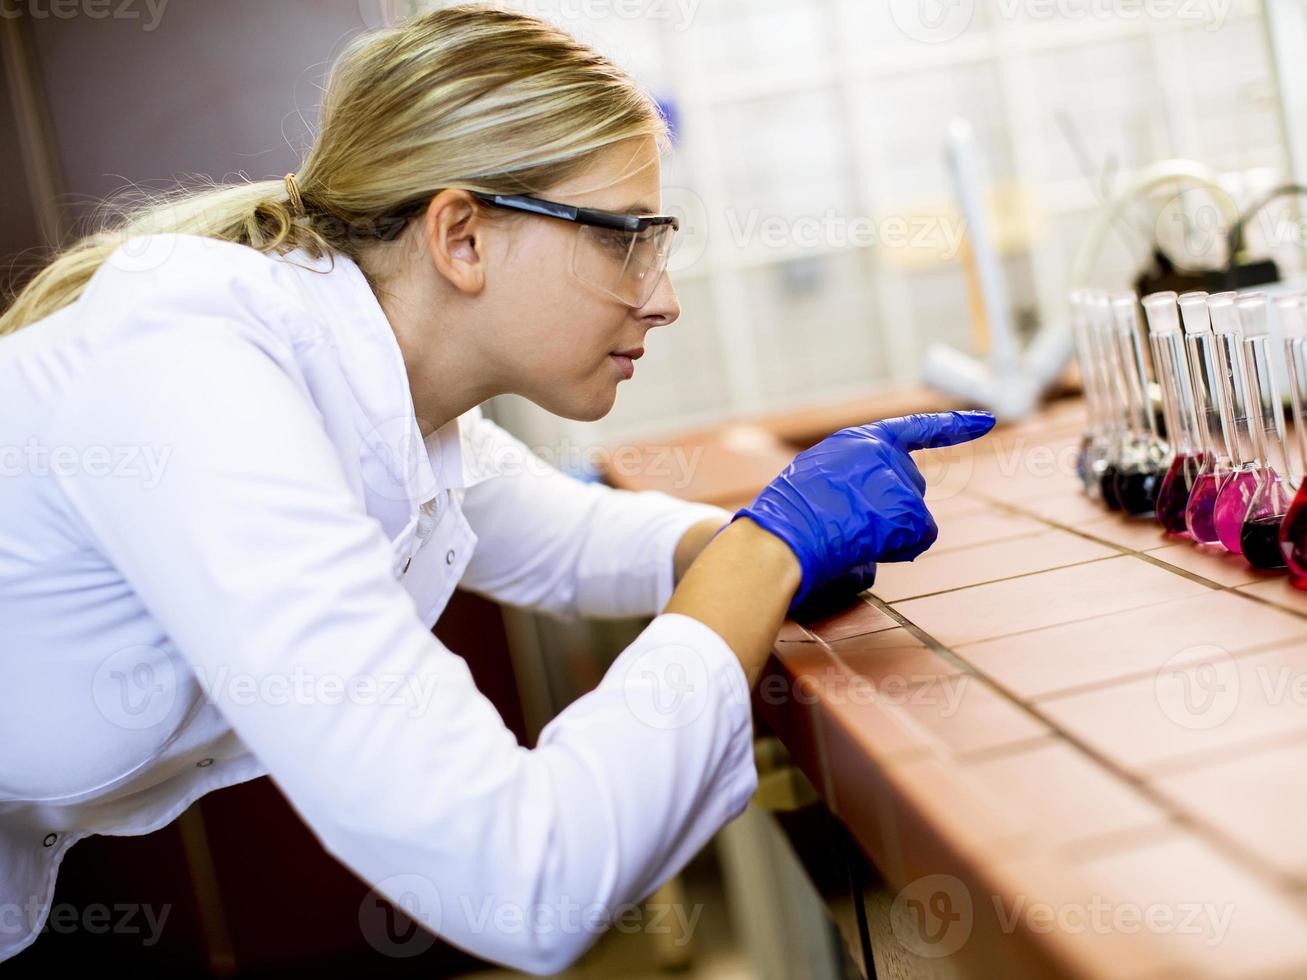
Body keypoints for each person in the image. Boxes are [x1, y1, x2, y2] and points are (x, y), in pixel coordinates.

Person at [0, 5, 994, 971]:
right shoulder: (194, 376)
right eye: (622, 238)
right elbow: (523, 877)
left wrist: (764, 544)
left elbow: (568, 539)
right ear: (462, 236)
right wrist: (766, 545)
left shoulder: (388, 400)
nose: (664, 296)